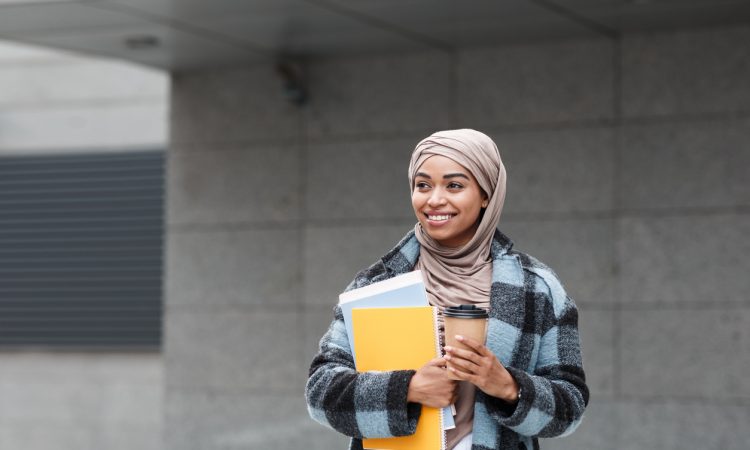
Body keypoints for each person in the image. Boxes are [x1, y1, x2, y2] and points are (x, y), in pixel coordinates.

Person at [305, 129, 588, 450]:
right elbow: (320, 393)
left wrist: (508, 387)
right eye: (422, 185)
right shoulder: (376, 283)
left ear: (486, 194)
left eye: (454, 185)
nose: (435, 199)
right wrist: (406, 389)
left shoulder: (537, 289)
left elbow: (571, 406)